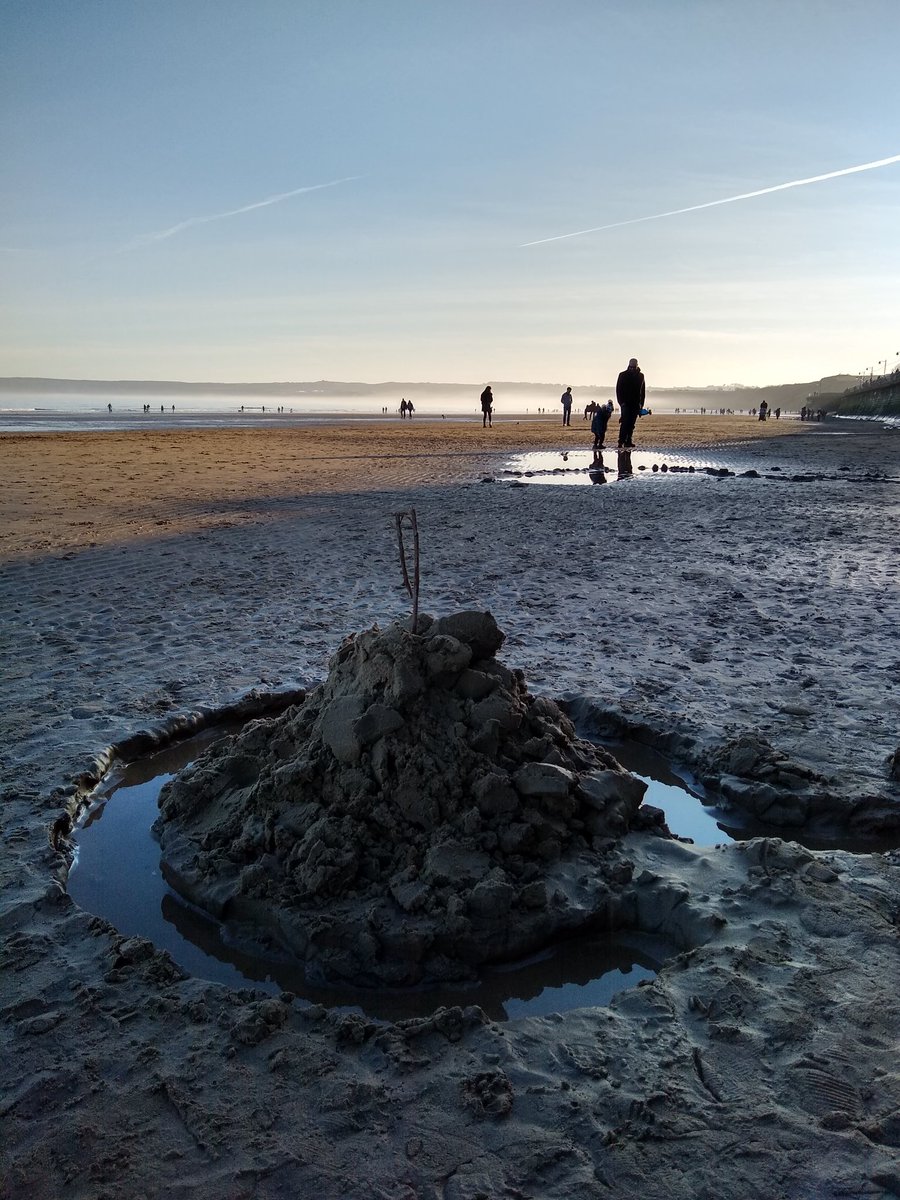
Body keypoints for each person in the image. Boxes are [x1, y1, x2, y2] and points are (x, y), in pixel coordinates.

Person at [615, 357, 645, 449]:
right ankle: (621, 441)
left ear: (637, 366)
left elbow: (642, 392)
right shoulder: (622, 375)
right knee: (625, 422)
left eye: (633, 367)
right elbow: (618, 390)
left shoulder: (641, 376)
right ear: (628, 365)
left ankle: (628, 441)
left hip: (636, 403)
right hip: (625, 403)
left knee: (631, 424)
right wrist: (621, 402)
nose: (632, 369)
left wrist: (641, 405)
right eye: (631, 367)